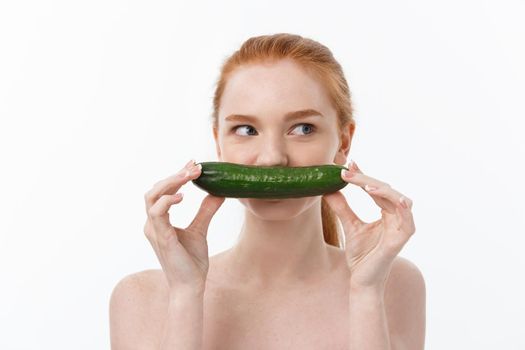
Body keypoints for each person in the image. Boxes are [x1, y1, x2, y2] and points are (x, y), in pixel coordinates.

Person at [109, 33, 426, 349]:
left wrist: (366, 293)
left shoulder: (392, 285)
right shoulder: (141, 298)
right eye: (246, 130)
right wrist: (185, 295)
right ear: (219, 142)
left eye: (303, 128)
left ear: (343, 141)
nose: (273, 157)